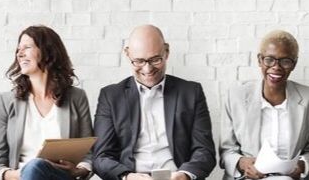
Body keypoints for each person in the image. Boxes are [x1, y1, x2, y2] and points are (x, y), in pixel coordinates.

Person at [92, 25, 216, 180]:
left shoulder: (191, 92)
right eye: (138, 61)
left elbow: (205, 150)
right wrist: (127, 176)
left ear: (167, 52)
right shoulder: (110, 96)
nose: (147, 68)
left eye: (155, 59)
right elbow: (101, 156)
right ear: (127, 54)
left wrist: (185, 175)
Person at [0, 25, 93, 180]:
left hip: (61, 177)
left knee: (37, 166)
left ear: (48, 52)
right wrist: (24, 174)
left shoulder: (76, 97)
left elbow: (89, 154)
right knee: (35, 166)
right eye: (18, 49)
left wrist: (77, 171)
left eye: (27, 47)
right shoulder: (6, 101)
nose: (20, 54)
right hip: (20, 177)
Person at [219, 30, 309, 180]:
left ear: (294, 64)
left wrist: (301, 166)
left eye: (285, 61)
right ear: (259, 60)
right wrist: (242, 163)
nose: (276, 67)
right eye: (269, 60)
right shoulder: (235, 96)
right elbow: (226, 151)